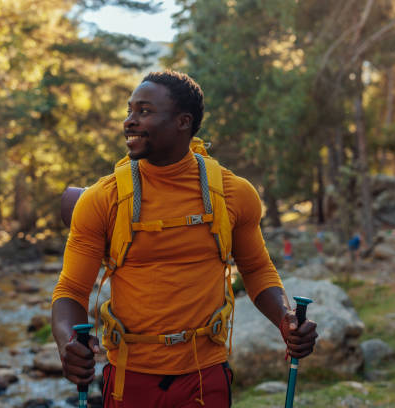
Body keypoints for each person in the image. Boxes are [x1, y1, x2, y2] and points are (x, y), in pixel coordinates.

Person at [51, 70, 318, 408]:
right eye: (129, 111)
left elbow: (257, 269)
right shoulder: (103, 198)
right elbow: (71, 290)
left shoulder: (234, 194)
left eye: (144, 112)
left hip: (205, 378)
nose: (129, 121)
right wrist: (67, 342)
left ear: (183, 122)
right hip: (128, 378)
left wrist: (286, 319)